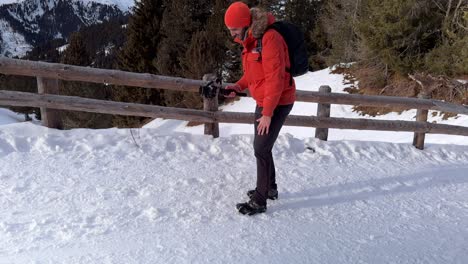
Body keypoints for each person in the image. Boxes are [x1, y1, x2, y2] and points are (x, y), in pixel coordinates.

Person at [224, 2, 296, 215]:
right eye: (230, 30)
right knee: (263, 148)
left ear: (246, 24)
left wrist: (267, 113)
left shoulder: (270, 38)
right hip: (264, 101)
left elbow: (276, 79)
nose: (232, 34)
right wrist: (238, 85)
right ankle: (270, 188)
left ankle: (260, 200)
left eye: (234, 29)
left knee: (261, 149)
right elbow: (254, 73)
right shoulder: (251, 41)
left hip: (278, 102)